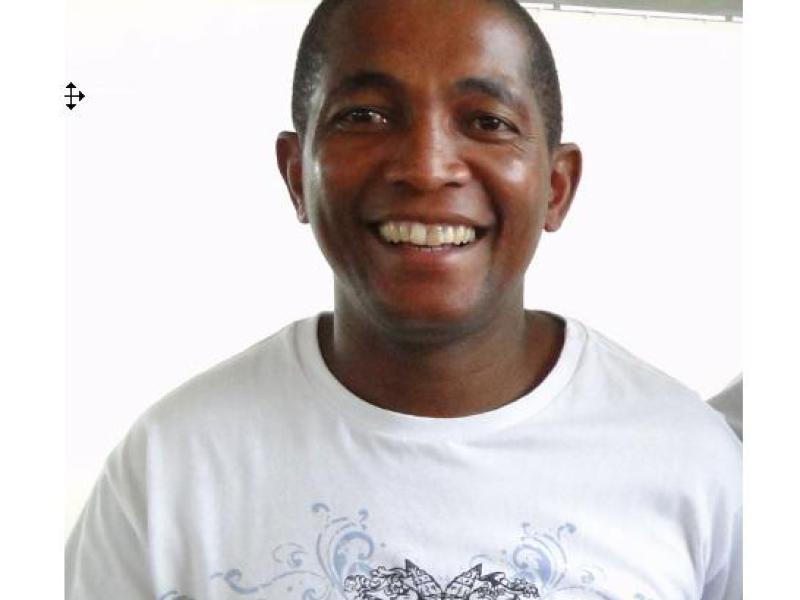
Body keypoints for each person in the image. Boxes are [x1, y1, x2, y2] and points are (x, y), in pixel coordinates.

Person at [66, 1, 742, 599]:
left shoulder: (694, 465)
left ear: (556, 188)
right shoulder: (171, 468)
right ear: (297, 176)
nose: (426, 166)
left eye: (487, 120)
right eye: (365, 116)